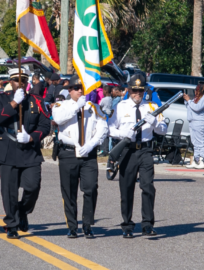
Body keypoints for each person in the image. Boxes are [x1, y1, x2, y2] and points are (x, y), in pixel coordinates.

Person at [0, 68, 48, 239]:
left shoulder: (36, 101)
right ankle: (12, 224)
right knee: (9, 191)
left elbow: (45, 126)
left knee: (33, 187)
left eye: (23, 80)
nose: (20, 83)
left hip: (30, 151)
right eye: (16, 80)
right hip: (8, 149)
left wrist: (31, 138)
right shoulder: (1, 98)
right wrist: (14, 103)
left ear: (27, 82)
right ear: (10, 81)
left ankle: (22, 211)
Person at [107, 74, 165, 238]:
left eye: (140, 90)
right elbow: (110, 129)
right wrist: (122, 133)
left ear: (145, 90)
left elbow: (163, 129)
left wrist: (154, 123)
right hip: (127, 151)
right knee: (126, 189)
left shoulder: (152, 107)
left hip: (146, 150)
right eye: (134, 90)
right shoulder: (120, 107)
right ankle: (127, 225)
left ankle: (147, 224)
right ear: (128, 89)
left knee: (148, 187)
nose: (137, 93)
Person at [51, 77, 107, 239]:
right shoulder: (62, 105)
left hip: (88, 154)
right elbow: (59, 120)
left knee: (90, 188)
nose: (80, 91)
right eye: (76, 88)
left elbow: (102, 128)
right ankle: (72, 226)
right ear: (70, 90)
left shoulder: (94, 107)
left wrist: (91, 145)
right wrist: (77, 107)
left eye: (82, 88)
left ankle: (88, 225)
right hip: (68, 152)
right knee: (69, 191)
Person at [183, 82, 204, 169]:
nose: (196, 91)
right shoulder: (196, 98)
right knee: (195, 142)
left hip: (200, 121)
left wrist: (189, 100)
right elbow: (190, 107)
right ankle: (196, 160)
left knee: (201, 141)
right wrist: (187, 101)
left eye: (197, 89)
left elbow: (197, 108)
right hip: (192, 121)